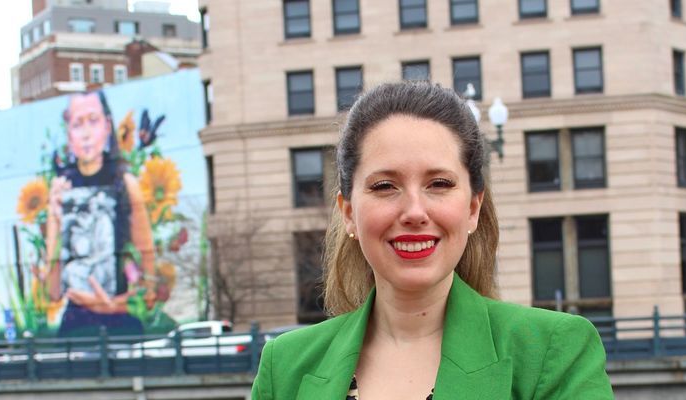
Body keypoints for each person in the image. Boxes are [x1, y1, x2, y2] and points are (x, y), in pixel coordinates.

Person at [251, 82, 613, 399]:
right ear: (348, 213)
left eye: (439, 184)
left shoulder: (553, 351)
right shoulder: (285, 368)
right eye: (384, 186)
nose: (414, 211)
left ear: (473, 207)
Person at [45, 90, 156, 337]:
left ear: (107, 126)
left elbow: (148, 271)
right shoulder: (60, 188)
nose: (85, 134)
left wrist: (114, 305)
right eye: (77, 124)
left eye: (93, 121)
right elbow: (52, 292)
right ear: (68, 132)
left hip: (120, 323)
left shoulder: (126, 184)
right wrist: (54, 217)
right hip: (76, 325)